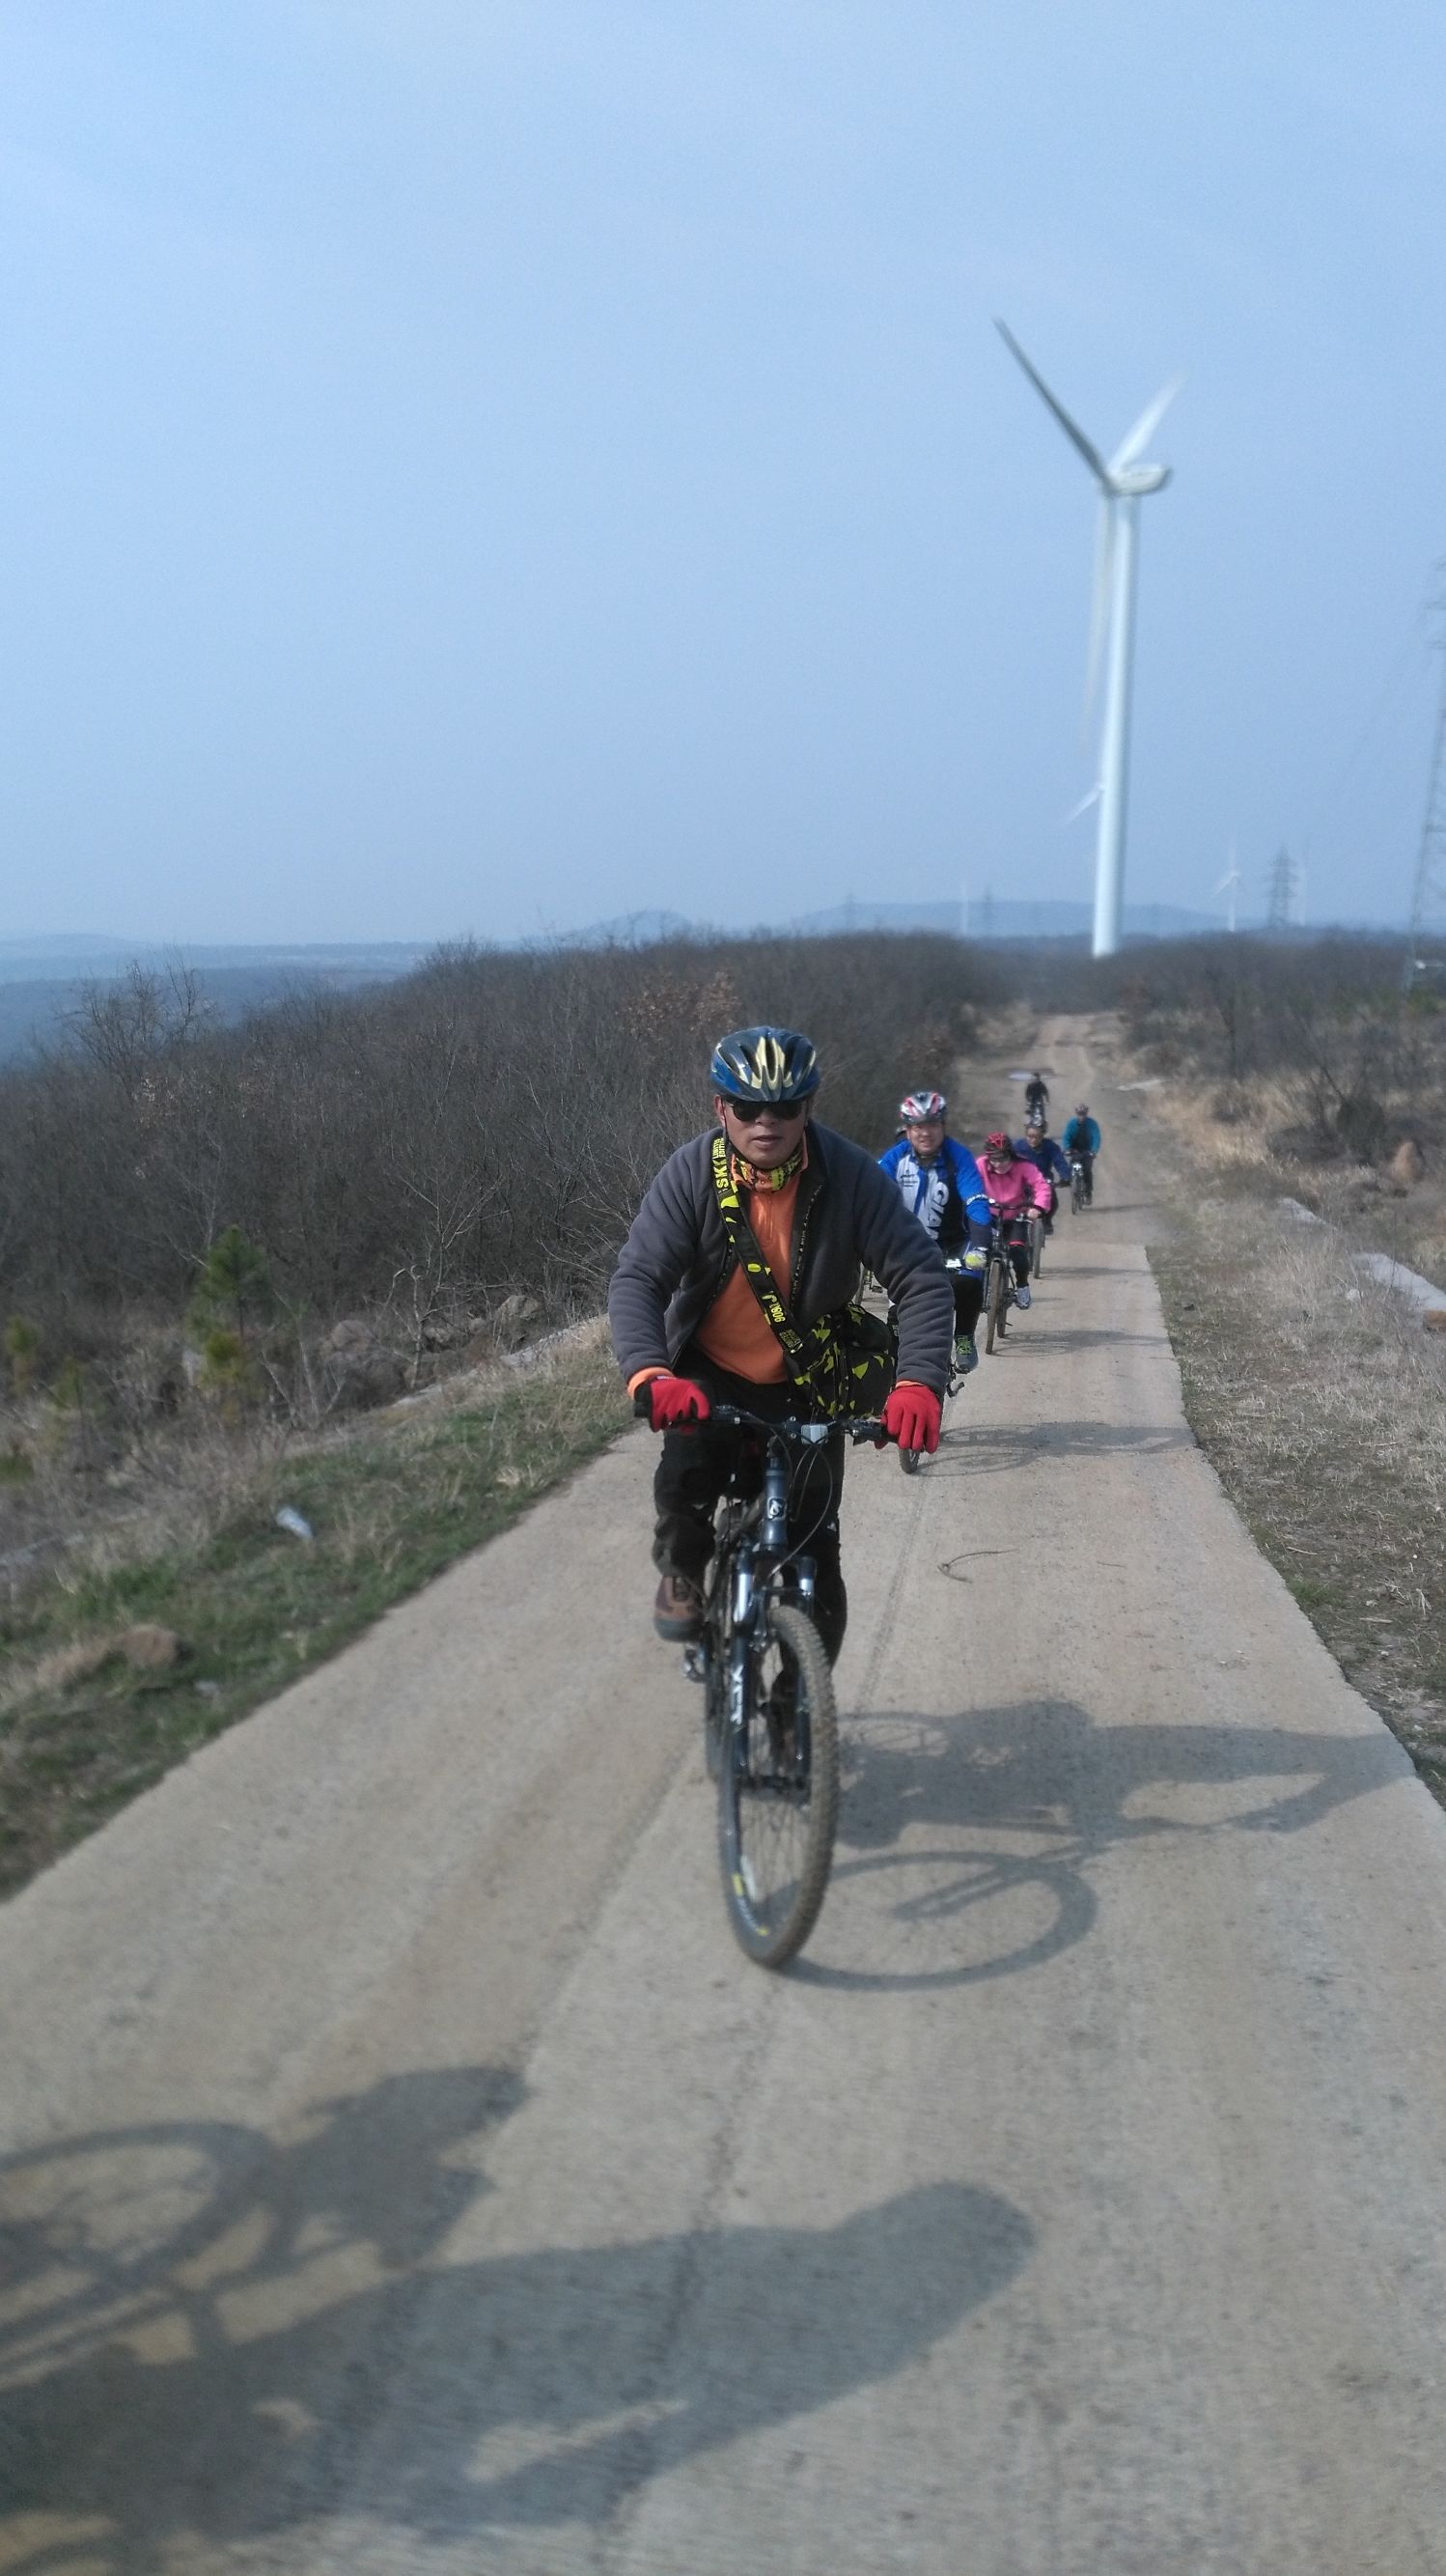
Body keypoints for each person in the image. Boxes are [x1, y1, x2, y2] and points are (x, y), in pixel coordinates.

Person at [609, 1025, 954, 1659]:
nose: (765, 1121)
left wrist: (918, 1382)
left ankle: (800, 1713)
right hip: (709, 1374)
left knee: (817, 1561)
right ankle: (683, 1570)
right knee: (685, 1483)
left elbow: (921, 1275)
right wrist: (651, 1375)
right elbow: (640, 1278)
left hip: (810, 1381)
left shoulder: (849, 1175)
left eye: (785, 1107)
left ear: (808, 1109)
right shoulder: (690, 1174)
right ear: (721, 1109)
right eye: (746, 1108)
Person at [877, 1088, 992, 1374]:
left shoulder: (958, 1157)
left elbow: (976, 1201)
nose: (924, 1133)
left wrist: (979, 1245)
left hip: (953, 1243)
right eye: (917, 1126)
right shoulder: (894, 1159)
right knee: (896, 1319)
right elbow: (871, 1197)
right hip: (908, 1246)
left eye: (931, 1125)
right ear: (907, 1130)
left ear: (943, 1126)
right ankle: (892, 1375)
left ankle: (964, 1336)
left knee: (969, 1279)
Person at [978, 1132, 1051, 1304]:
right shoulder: (980, 1165)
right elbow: (967, 1180)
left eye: (1003, 1159)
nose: (998, 1164)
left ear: (1010, 1155)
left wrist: (1037, 1207)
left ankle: (1023, 1287)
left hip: (1015, 1215)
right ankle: (978, 1287)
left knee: (1018, 1252)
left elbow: (1041, 1186)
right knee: (978, 1252)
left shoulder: (1023, 1165)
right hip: (989, 1215)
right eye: (994, 1159)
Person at [1016, 1115, 1071, 1230]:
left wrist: (1065, 1176)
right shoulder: (1018, 1147)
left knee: (1053, 1203)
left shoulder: (1050, 1146)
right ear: (1025, 1134)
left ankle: (1046, 1221)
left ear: (1043, 1135)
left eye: (1037, 1137)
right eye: (1030, 1136)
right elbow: (1008, 1162)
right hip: (1021, 1181)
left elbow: (1059, 1161)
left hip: (1044, 1180)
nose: (1033, 1140)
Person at [1062, 1101, 1102, 1203]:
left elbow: (1096, 1137)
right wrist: (1067, 1148)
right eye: (1079, 1114)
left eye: (1083, 1114)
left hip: (1087, 1150)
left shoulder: (1092, 1123)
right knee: (1071, 1168)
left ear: (1086, 1114)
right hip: (1074, 1149)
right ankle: (1073, 1186)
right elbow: (1066, 1136)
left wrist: (1093, 1151)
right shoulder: (1071, 1123)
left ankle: (1088, 1192)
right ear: (1076, 1114)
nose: (1081, 1116)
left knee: (1087, 1170)